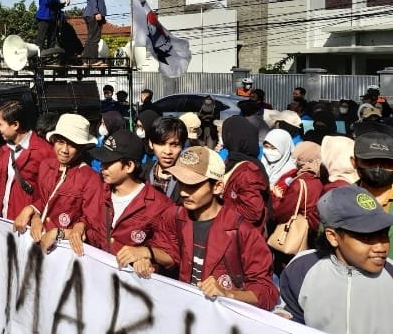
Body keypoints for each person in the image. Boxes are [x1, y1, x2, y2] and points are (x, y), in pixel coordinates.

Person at [154, 146, 278, 310]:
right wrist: (148, 256)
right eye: (181, 183)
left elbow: (266, 293)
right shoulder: (174, 216)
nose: (183, 192)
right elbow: (168, 251)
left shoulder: (242, 231)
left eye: (193, 185)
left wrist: (228, 294)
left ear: (218, 187)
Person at [280, 185, 393, 333]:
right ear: (333, 237)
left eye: (383, 234)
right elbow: (290, 317)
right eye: (366, 237)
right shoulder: (301, 269)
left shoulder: (390, 273)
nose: (381, 247)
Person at [86, 130, 174, 278]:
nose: (102, 167)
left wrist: (147, 254)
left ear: (129, 166)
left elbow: (172, 255)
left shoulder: (159, 205)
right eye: (102, 162)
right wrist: (78, 228)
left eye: (108, 162)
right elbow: (90, 225)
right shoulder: (99, 192)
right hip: (100, 281)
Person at [13, 114, 102, 256]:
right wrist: (33, 214)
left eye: (72, 145)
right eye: (60, 142)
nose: (65, 150)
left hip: (66, 253)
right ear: (53, 141)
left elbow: (93, 225)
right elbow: (42, 200)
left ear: (81, 148)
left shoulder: (90, 178)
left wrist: (59, 233)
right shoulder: (46, 165)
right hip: (37, 243)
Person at [0, 100, 55, 220]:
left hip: (27, 227)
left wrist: (33, 209)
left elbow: (53, 192)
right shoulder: (4, 150)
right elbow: (2, 183)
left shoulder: (44, 152)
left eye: (0, 124)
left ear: (15, 125)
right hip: (5, 222)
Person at [270, 142, 324, 274]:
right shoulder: (319, 179)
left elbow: (282, 212)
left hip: (295, 235)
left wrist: (277, 197)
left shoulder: (299, 182)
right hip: (312, 234)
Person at [220, 116, 269, 232]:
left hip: (243, 240)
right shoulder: (233, 161)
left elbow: (252, 212)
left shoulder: (248, 171)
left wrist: (218, 205)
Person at [142, 117, 187, 204]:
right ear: (151, 144)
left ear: (183, 146)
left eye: (175, 145)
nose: (168, 151)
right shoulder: (141, 174)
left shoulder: (188, 180)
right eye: (161, 143)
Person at [82, 0, 107, 66]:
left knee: (91, 37)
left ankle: (86, 61)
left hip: (90, 13)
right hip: (93, 13)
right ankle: (93, 61)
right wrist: (97, 12)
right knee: (95, 38)